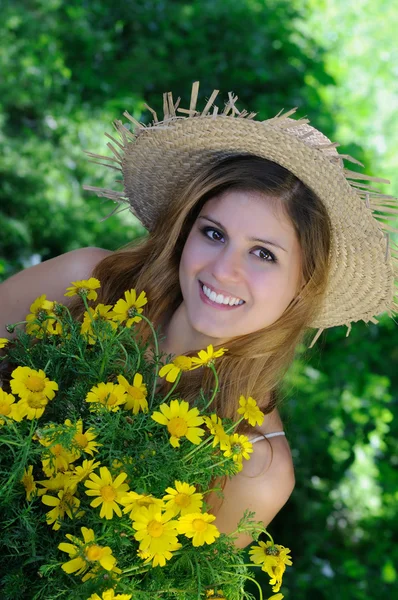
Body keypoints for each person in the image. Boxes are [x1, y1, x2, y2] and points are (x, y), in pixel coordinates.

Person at [1, 82, 397, 548]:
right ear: (186, 231)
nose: (223, 270)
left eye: (264, 255)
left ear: (304, 284)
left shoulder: (255, 466)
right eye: (214, 234)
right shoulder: (85, 282)